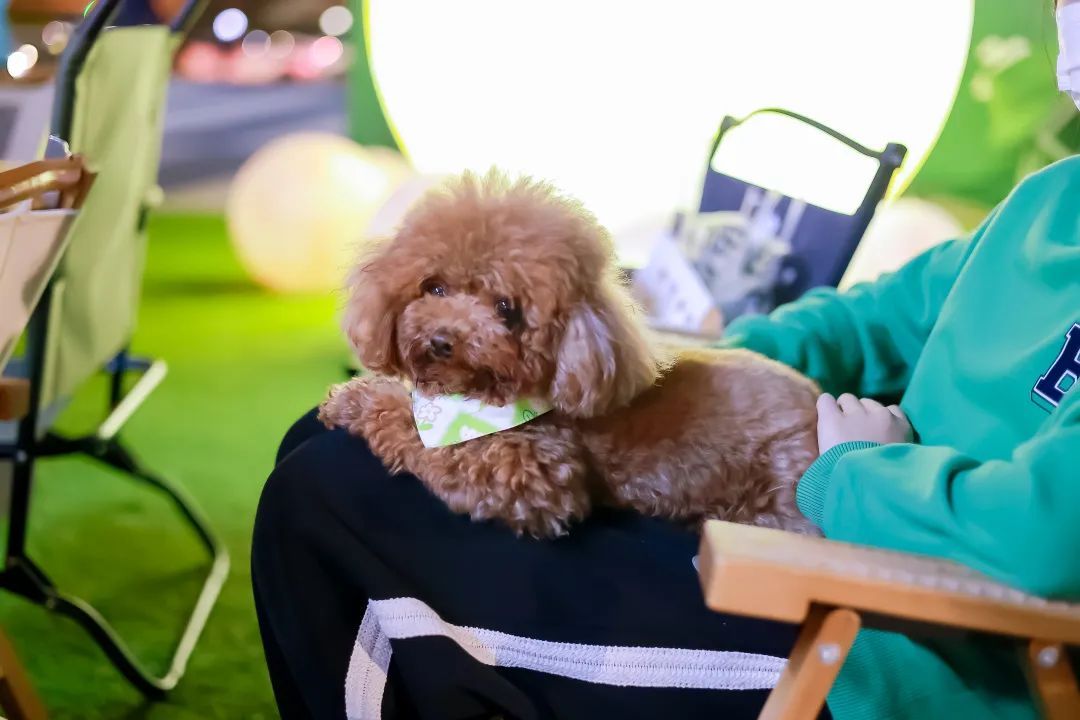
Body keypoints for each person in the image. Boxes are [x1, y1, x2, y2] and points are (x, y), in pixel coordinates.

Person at [252, 2, 1080, 717]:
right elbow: (865, 324)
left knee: (325, 499)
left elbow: (1039, 544)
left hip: (891, 646)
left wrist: (855, 468)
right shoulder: (1051, 198)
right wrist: (682, 364)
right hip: (816, 548)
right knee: (321, 450)